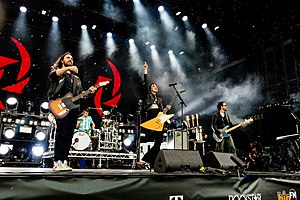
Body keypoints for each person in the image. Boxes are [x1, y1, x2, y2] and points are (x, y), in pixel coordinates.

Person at [47, 52, 96, 171]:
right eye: (68, 58)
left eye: (72, 58)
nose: (71, 59)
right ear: (62, 60)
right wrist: (68, 68)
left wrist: (89, 91)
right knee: (62, 133)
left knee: (69, 135)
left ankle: (64, 160)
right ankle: (57, 161)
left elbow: (80, 94)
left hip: (73, 108)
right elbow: (53, 76)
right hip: (61, 107)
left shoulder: (76, 79)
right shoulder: (58, 73)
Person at [141, 61, 171, 168]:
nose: (155, 87)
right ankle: (150, 160)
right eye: (153, 86)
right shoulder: (148, 95)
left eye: (156, 86)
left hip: (159, 118)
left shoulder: (159, 99)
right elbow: (145, 83)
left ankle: (151, 160)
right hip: (151, 115)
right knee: (154, 139)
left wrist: (166, 109)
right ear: (150, 89)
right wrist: (145, 70)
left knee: (159, 141)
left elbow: (162, 112)